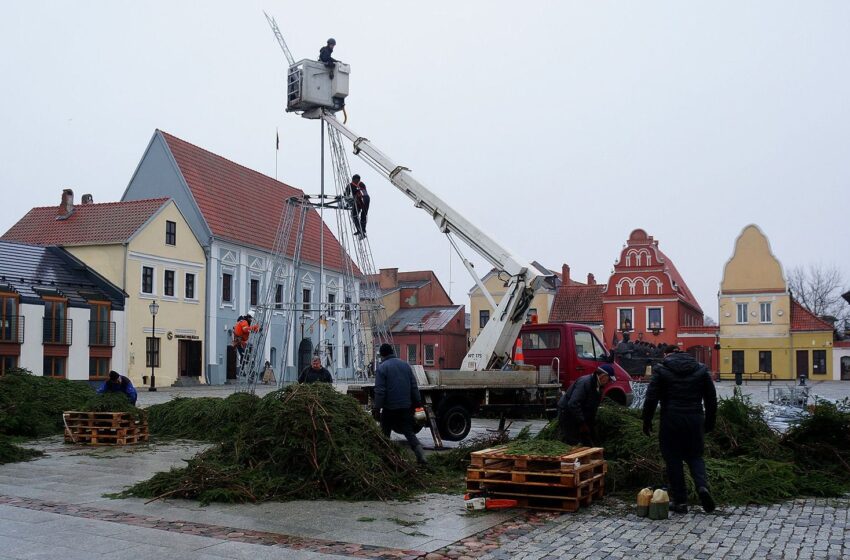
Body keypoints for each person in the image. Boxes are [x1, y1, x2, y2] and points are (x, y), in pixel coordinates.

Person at [642, 344, 718, 514]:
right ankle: (702, 487)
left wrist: (646, 422)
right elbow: (711, 399)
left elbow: (651, 398)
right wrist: (709, 423)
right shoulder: (701, 370)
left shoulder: (661, 370)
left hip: (671, 419)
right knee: (695, 456)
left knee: (673, 459)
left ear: (666, 355)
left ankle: (680, 502)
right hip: (694, 418)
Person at [372, 343, 427, 466]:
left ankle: (385, 460)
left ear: (382, 354)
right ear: (392, 352)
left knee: (385, 433)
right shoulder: (405, 365)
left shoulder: (382, 368)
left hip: (389, 408)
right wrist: (418, 403)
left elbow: (380, 391)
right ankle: (421, 455)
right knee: (408, 431)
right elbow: (414, 386)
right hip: (406, 406)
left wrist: (377, 407)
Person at [557, 364, 615, 446]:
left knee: (586, 438)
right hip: (567, 412)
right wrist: (582, 423)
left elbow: (592, 407)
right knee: (572, 440)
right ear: (603, 376)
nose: (609, 382)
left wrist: (590, 424)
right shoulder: (585, 382)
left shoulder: (598, 387)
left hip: (579, 412)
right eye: (609, 379)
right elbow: (573, 403)